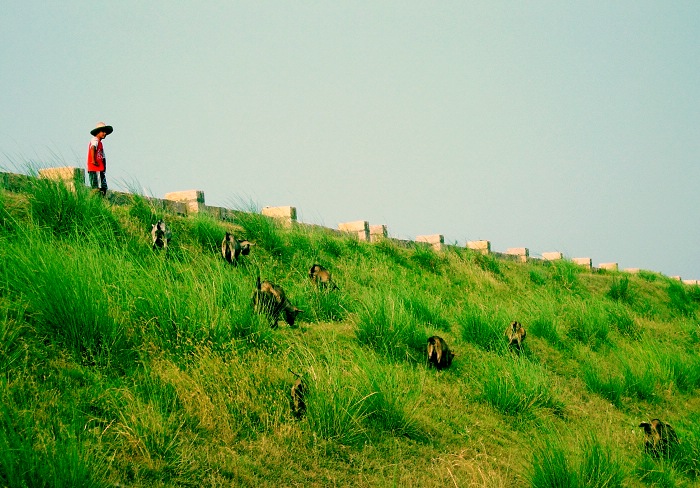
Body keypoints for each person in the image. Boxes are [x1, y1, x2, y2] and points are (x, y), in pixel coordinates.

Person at [87, 122, 113, 195]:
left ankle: (99, 200)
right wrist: (93, 160)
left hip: (100, 169)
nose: (105, 133)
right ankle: (95, 200)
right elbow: (93, 148)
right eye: (103, 131)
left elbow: (103, 157)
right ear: (98, 132)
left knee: (102, 187)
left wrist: (104, 167)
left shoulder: (100, 144)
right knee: (98, 188)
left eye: (105, 132)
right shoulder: (95, 140)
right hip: (96, 168)